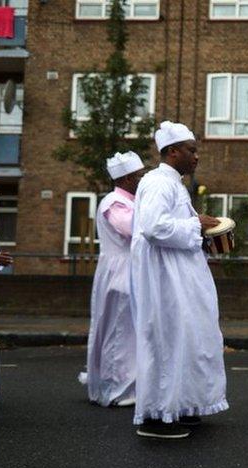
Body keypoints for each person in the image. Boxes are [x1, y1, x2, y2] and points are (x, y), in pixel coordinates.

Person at [130, 121, 228, 439]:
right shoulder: (159, 182)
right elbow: (154, 227)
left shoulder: (173, 183)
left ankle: (180, 405)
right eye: (191, 150)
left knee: (187, 340)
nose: (196, 156)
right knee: (166, 341)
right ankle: (156, 416)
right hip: (164, 280)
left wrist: (198, 227)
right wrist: (195, 225)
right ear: (173, 152)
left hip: (177, 276)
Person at [83, 152, 145, 408]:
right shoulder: (115, 203)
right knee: (120, 330)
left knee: (129, 330)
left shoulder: (127, 200)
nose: (142, 179)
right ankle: (115, 388)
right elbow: (134, 228)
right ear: (128, 178)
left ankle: (127, 383)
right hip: (121, 270)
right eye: (139, 176)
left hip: (128, 267)